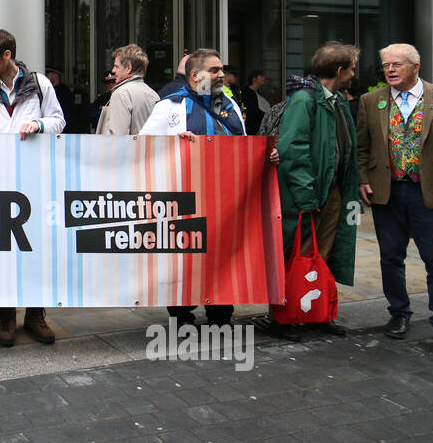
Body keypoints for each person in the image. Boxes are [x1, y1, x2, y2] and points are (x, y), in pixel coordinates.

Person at [140, 48, 277, 328]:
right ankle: (181, 313)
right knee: (186, 257)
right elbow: (141, 143)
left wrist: (266, 155)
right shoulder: (169, 106)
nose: (221, 75)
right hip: (184, 199)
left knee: (223, 254)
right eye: (214, 70)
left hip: (225, 199)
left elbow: (244, 145)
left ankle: (220, 313)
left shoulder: (230, 104)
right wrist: (171, 142)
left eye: (221, 70)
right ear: (194, 75)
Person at [356, 43, 433, 355]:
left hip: (432, 194)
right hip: (388, 193)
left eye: (396, 65)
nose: (390, 70)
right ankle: (399, 314)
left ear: (415, 67)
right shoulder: (371, 101)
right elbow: (362, 148)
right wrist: (363, 179)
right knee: (391, 257)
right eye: (385, 66)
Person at [0, 29, 65, 346]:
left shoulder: (40, 84)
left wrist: (39, 125)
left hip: (35, 180)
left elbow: (59, 121)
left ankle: (35, 315)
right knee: (3, 249)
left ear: (7, 55)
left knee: (37, 247)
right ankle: (6, 315)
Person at [253, 43, 359, 341]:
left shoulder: (334, 99)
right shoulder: (305, 99)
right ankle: (282, 317)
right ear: (340, 70)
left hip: (330, 193)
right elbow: (292, 149)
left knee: (321, 256)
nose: (354, 74)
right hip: (308, 195)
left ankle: (317, 311)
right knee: (294, 256)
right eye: (351, 68)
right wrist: (305, 195)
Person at [97, 44, 159, 136]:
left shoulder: (121, 93)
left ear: (128, 68)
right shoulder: (153, 94)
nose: (113, 70)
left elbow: (117, 138)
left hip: (128, 149)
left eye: (117, 66)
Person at [45, 67, 78, 132]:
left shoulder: (64, 92)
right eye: (49, 75)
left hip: (63, 127)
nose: (51, 78)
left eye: (54, 75)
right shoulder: (46, 89)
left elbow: (68, 113)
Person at [242, 69, 270, 135]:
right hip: (252, 129)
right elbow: (251, 112)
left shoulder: (256, 92)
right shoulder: (248, 94)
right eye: (261, 76)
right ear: (254, 79)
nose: (264, 78)